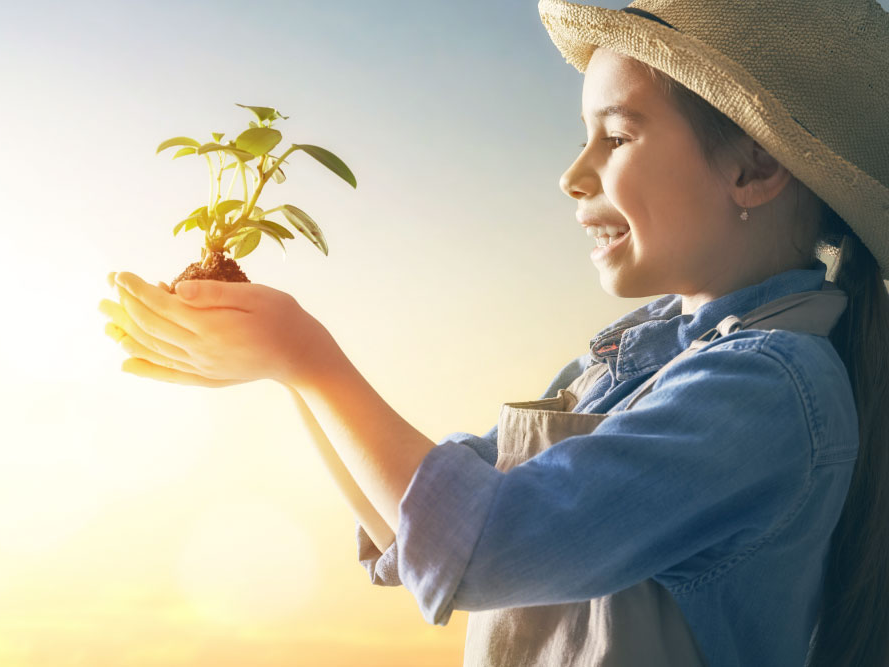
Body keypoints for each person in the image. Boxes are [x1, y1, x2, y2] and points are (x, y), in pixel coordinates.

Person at [98, 0, 889, 664]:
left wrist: (309, 357)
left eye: (615, 136)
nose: (573, 174)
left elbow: (477, 547)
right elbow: (419, 530)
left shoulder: (769, 391)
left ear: (752, 170)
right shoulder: (639, 357)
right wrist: (285, 367)